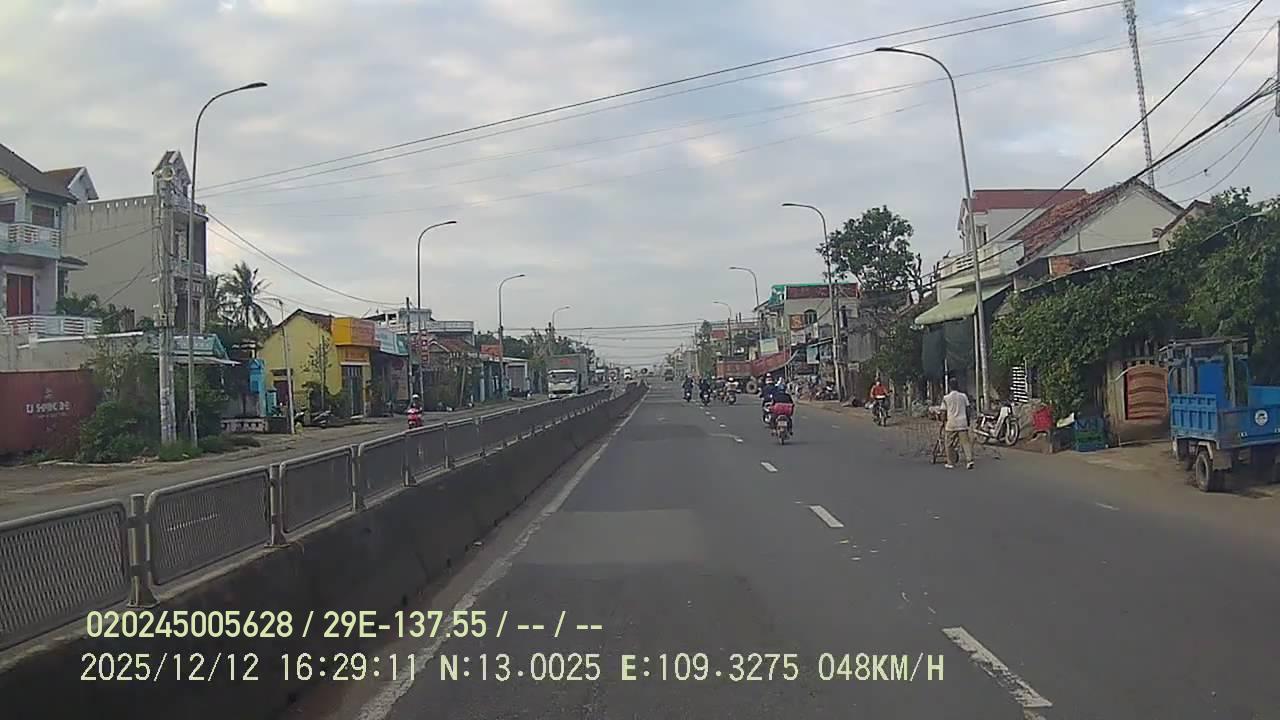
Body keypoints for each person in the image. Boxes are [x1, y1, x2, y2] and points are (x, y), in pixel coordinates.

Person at [936, 375, 974, 470]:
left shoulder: (946, 398)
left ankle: (950, 462)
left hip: (951, 423)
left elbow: (943, 412)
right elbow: (968, 409)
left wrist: (943, 422)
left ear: (949, 386)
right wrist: (968, 421)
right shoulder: (963, 396)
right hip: (962, 423)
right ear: (958, 386)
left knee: (949, 444)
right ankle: (969, 460)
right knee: (965, 443)